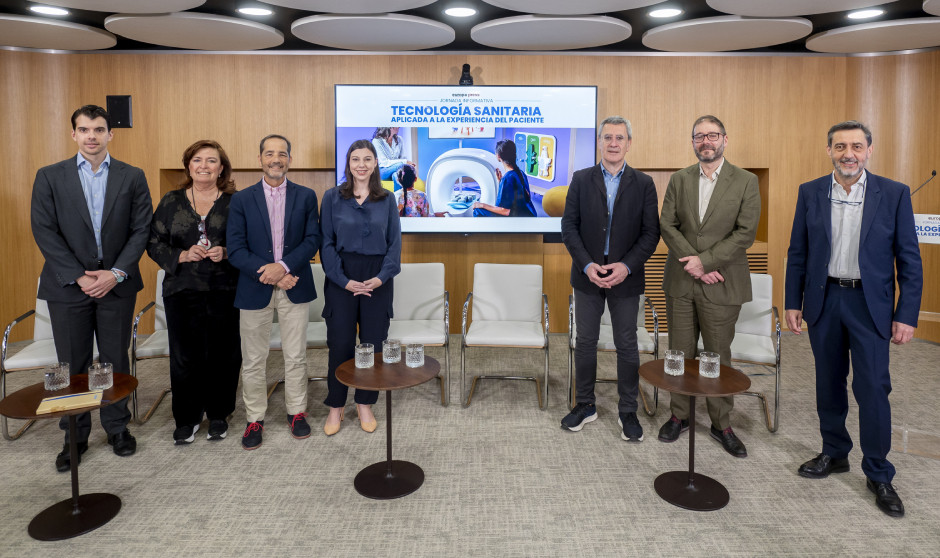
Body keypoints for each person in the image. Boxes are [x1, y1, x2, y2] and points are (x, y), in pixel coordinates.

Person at [785, 121, 922, 518]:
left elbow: (910, 260)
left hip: (870, 306)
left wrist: (907, 314)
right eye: (841, 146)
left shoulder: (894, 194)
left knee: (873, 390)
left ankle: (878, 471)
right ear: (829, 149)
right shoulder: (810, 191)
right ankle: (834, 452)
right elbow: (798, 252)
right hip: (824, 301)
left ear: (869, 150)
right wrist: (793, 302)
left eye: (857, 146)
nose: (849, 153)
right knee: (828, 383)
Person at [30, 104, 152, 471]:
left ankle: (117, 428)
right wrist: (80, 275)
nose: (92, 136)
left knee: (113, 359)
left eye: (99, 129)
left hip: (116, 284)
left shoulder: (132, 176)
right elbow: (44, 231)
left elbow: (141, 229)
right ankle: (74, 436)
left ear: (110, 134)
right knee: (71, 364)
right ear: (74, 134)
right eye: (84, 130)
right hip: (68, 286)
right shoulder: (50, 176)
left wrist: (115, 273)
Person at [657, 115, 760, 458]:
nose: (706, 141)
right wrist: (695, 264)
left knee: (717, 355)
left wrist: (708, 262)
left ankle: (721, 423)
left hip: (723, 283)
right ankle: (679, 416)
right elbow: (667, 225)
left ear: (725, 140)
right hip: (682, 281)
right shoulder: (680, 179)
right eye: (699, 136)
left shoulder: (745, 181)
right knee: (679, 353)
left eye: (712, 135)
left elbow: (745, 233)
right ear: (692, 142)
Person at [560, 116, 660, 441]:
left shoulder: (644, 184)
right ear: (600, 142)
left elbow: (650, 234)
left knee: (627, 344)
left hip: (625, 278)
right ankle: (585, 404)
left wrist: (626, 267)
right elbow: (569, 227)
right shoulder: (580, 179)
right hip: (587, 274)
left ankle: (627, 410)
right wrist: (588, 265)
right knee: (585, 342)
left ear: (629, 143)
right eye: (608, 138)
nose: (613, 143)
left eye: (620, 138)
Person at [227, 134, 320, 450]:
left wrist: (283, 267)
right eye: (269, 153)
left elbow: (312, 240)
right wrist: (272, 274)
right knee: (253, 359)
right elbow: (236, 250)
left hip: (294, 284)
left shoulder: (306, 196)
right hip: (255, 287)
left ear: (290, 159)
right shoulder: (241, 200)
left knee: (296, 356)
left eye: (282, 154)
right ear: (260, 159)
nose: (276, 159)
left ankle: (297, 412)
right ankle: (255, 418)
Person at [147, 140, 241, 444]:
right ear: (189, 165)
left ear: (221, 167)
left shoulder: (234, 202)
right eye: (198, 160)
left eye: (211, 161)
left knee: (223, 355)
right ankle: (186, 417)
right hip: (182, 289)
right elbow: (154, 242)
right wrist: (181, 256)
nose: (204, 166)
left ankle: (218, 414)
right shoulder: (171, 201)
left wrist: (226, 250)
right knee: (185, 356)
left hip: (225, 288)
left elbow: (249, 241)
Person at [320, 139, 401, 436]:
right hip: (342, 278)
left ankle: (365, 403)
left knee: (372, 345)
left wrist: (381, 277)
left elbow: (395, 245)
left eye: (368, 159)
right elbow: (326, 244)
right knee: (340, 345)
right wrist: (343, 280)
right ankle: (336, 406)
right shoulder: (331, 197)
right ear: (348, 163)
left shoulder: (387, 199)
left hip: (378, 279)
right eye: (356, 159)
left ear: (376, 163)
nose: (362, 165)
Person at [472, 139, 537, 217]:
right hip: (529, 214)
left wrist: (482, 205)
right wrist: (501, 182)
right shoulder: (521, 173)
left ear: (498, 156)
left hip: (517, 219)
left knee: (477, 210)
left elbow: (505, 211)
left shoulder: (507, 179)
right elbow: (525, 197)